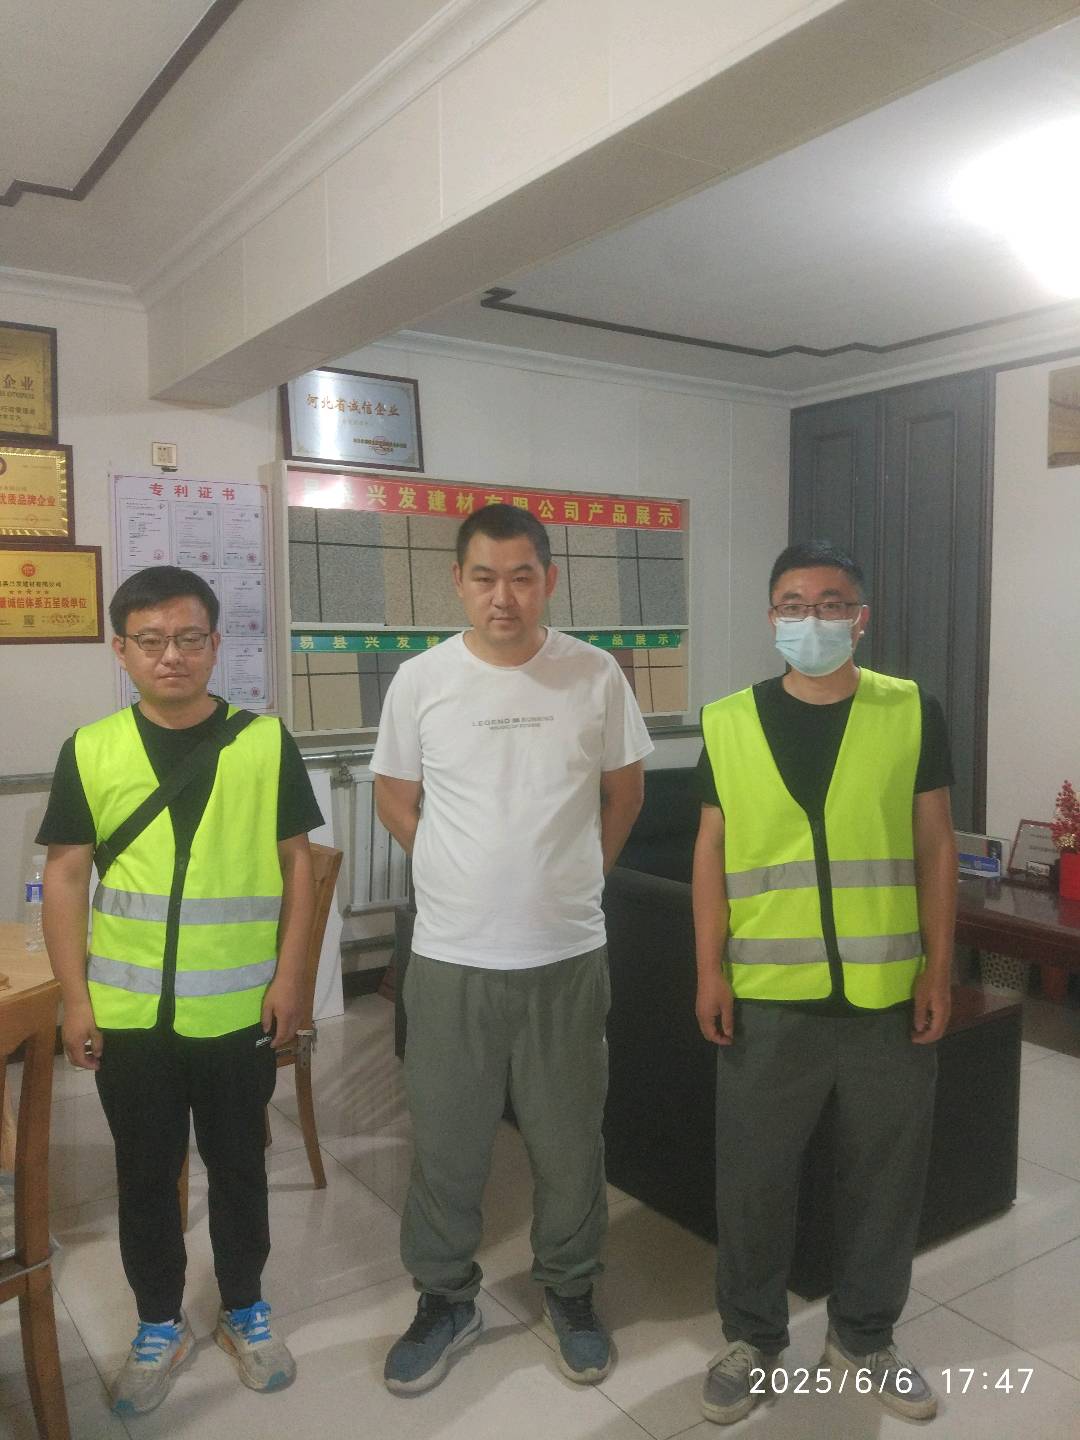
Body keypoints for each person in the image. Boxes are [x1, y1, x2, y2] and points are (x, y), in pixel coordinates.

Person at [372, 503, 652, 1394]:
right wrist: (449, 863)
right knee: (447, 1144)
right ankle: (444, 1297)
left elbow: (625, 793)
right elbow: (393, 794)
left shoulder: (595, 674)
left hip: (565, 955)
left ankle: (570, 1288)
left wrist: (581, 874)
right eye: (486, 578)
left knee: (569, 1144)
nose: (504, 597)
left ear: (548, 581)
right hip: (451, 958)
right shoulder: (421, 680)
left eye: (522, 577)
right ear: (458, 582)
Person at [39, 565, 323, 1417]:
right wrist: (75, 1000)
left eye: (190, 638)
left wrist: (293, 979)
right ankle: (158, 1320)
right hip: (129, 1017)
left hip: (238, 1009)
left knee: (239, 1168)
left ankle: (244, 1307)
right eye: (152, 640)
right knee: (144, 1175)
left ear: (215, 643)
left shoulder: (264, 742)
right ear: (121, 649)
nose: (173, 655)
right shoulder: (91, 748)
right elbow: (66, 876)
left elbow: (298, 865)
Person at [692, 541, 957, 1426]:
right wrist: (708, 969)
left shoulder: (910, 710)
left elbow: (935, 845)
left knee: (885, 1178)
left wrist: (938, 966)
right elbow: (711, 852)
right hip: (768, 1002)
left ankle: (865, 1334)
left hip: (887, 999)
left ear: (861, 617)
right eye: (794, 604)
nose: (813, 619)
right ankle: (753, 1339)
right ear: (771, 617)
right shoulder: (728, 720)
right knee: (754, 1181)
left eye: (832, 603)